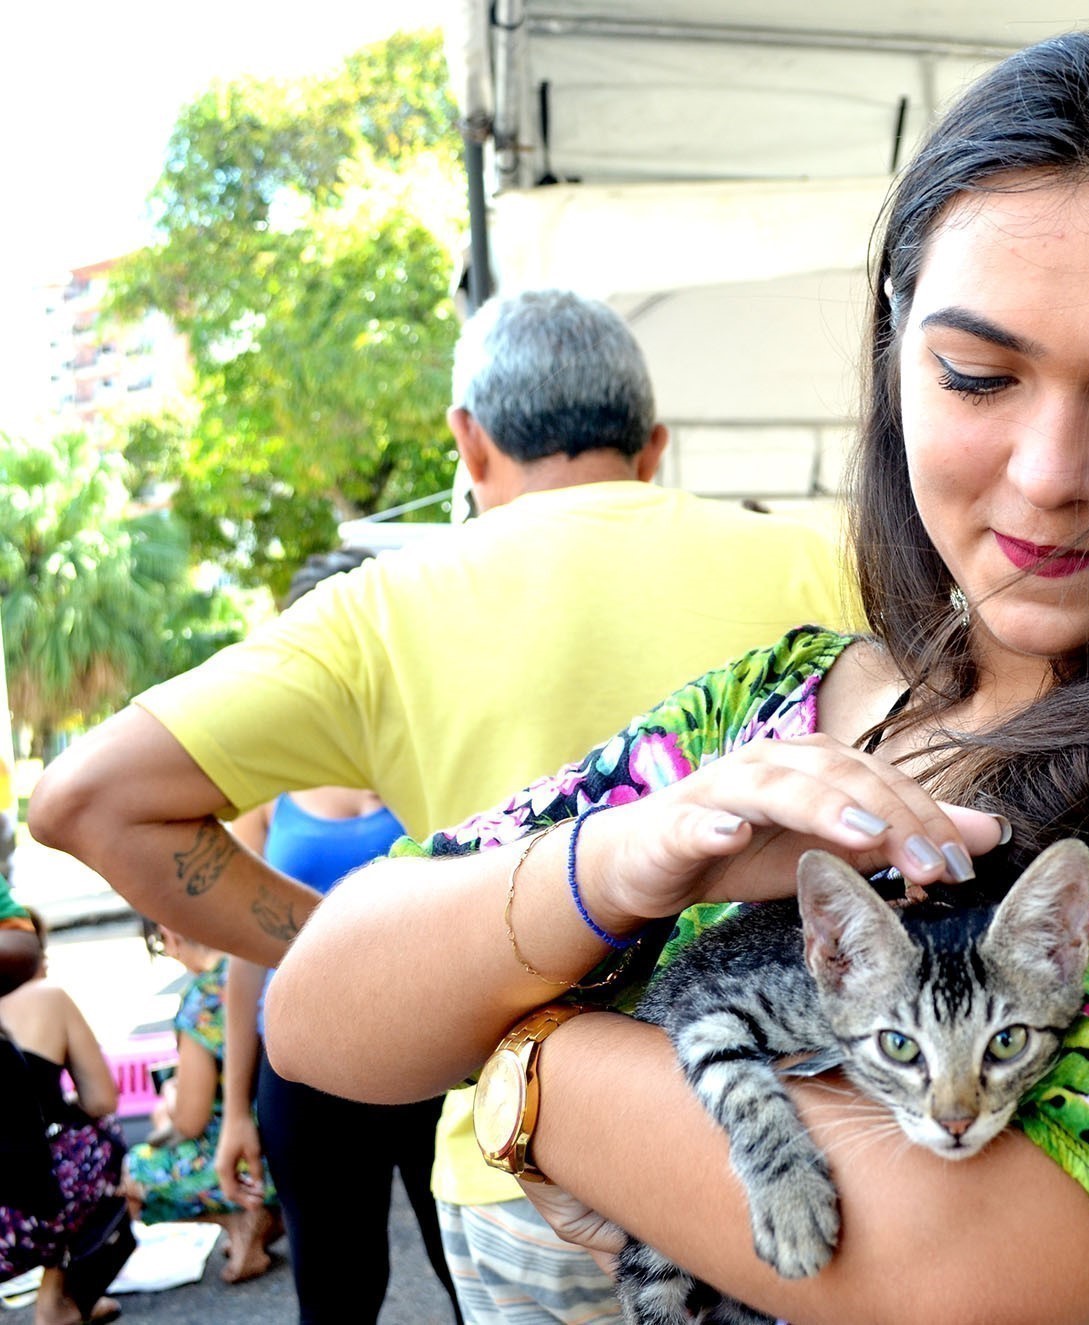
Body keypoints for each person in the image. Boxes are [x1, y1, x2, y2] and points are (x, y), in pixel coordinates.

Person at [264, 28, 1089, 1325]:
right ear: (895, 357)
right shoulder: (780, 704)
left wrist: (520, 1059)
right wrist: (631, 860)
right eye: (979, 374)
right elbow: (323, 1015)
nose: (1049, 471)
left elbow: (952, 1279)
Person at [28, 288, 856, 1324]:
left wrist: (337, 942)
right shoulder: (823, 561)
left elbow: (85, 801)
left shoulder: (384, 607)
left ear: (469, 441)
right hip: (802, 1147)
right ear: (652, 446)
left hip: (525, 1155)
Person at [199, 550, 459, 1323]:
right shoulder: (263, 771)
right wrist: (235, 1108)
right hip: (305, 1066)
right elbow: (245, 950)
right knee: (337, 1296)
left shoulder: (432, 743)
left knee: (478, 1285)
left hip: (437, 1051)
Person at [120, 921, 277, 1282]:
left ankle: (239, 1216)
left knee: (129, 1172)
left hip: (249, 1159)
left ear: (171, 935)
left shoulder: (203, 998)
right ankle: (253, 1223)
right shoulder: (266, 962)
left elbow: (190, 1120)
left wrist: (170, 1097)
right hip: (296, 1134)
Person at [0, 910, 127, 1325]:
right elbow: (101, 1100)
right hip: (26, 1218)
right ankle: (56, 1296)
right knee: (102, 1138)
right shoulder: (45, 998)